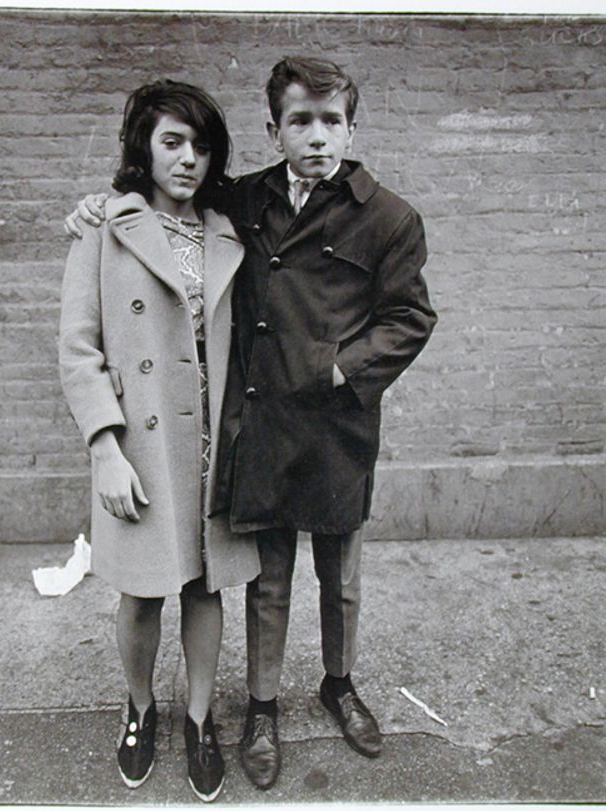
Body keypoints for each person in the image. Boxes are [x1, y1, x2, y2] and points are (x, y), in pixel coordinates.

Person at [65, 56, 437, 791]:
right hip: (244, 427)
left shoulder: (385, 216)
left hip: (329, 427)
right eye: (300, 121)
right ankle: (245, 708)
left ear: (352, 128)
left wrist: (342, 368)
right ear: (274, 130)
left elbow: (411, 316)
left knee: (337, 577)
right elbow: (101, 307)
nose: (318, 137)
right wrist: (97, 204)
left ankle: (332, 686)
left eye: (332, 121)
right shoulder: (245, 200)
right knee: (255, 581)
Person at [59, 79, 259, 803]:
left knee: (206, 587)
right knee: (143, 593)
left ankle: (200, 718)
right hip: (139, 447)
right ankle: (140, 707)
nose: (189, 159)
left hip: (213, 444)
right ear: (142, 144)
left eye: (201, 146)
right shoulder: (104, 228)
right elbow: (78, 348)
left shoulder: (228, 229)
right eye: (172, 141)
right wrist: (105, 448)